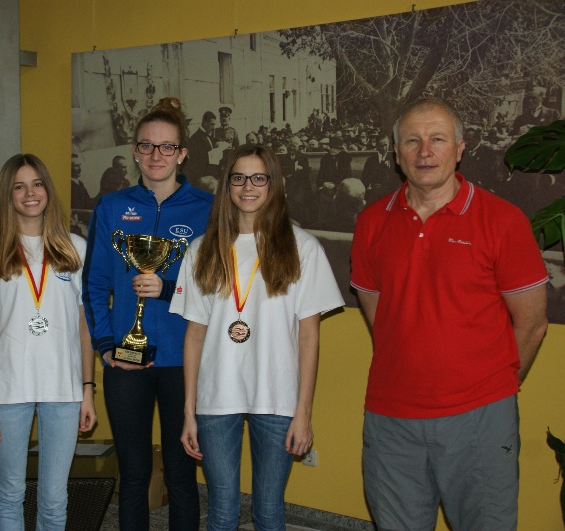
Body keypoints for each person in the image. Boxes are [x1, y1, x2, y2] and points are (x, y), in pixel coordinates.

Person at [350, 97, 549, 530]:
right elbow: (380, 316)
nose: (425, 152)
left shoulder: (503, 220)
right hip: (391, 417)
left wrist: (492, 387)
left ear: (459, 149)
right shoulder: (371, 222)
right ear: (396, 152)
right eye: (412, 141)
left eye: (437, 139)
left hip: (480, 418)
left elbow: (532, 324)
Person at [172, 144, 343, 530]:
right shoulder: (202, 249)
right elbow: (195, 336)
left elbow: (309, 337)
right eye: (238, 178)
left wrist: (303, 413)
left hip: (277, 397)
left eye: (258, 178)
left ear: (273, 184)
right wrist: (189, 411)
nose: (248, 187)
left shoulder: (302, 247)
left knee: (268, 510)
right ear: (227, 185)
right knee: (221, 510)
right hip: (216, 397)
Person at [83, 97, 213, 531]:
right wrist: (106, 346)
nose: (157, 155)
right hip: (126, 359)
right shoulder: (111, 207)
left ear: (182, 153)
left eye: (167, 146)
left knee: (181, 475)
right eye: (147, 145)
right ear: (135, 151)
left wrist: (168, 289)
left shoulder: (208, 208)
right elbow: (94, 284)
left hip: (185, 359)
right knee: (134, 474)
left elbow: (217, 287)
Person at [0, 153, 97, 530]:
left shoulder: (75, 248)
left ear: (48, 190)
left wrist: (87, 391)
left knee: (55, 497)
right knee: (9, 492)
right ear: (7, 195)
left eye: (37, 184)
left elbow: (84, 326)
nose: (30, 193)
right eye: (19, 187)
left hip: (63, 390)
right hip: (8, 390)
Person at [359, 134, 398, 205]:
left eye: (385, 145)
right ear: (377, 146)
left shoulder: (394, 159)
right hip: (373, 195)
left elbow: (397, 180)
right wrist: (370, 186)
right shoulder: (370, 161)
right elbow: (364, 180)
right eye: (381, 146)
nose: (384, 148)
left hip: (390, 194)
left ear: (389, 144)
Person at [185, 110, 217, 187]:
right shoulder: (195, 138)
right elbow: (196, 164)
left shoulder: (207, 136)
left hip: (209, 179)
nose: (214, 127)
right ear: (205, 123)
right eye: (212, 124)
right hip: (202, 181)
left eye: (214, 125)